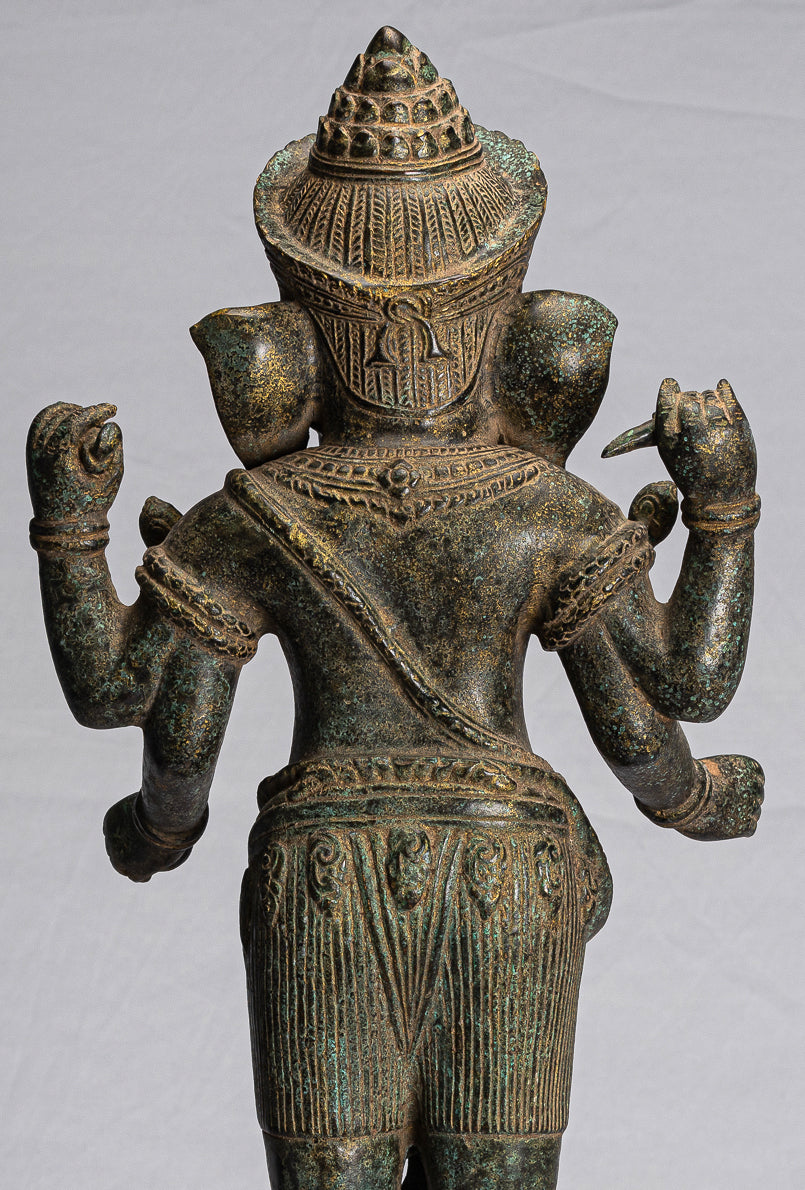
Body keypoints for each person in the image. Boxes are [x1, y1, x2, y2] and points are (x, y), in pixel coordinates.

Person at [27, 27, 762, 1190]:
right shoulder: (544, 510)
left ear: (295, 333)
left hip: (322, 875)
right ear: (507, 322)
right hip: (509, 873)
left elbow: (138, 709)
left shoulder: (254, 512)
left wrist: (72, 527)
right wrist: (722, 508)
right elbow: (673, 695)